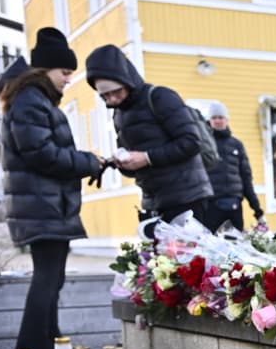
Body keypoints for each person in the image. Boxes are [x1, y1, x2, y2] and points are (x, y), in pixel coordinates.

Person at [0, 28, 104, 349]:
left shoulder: (35, 99)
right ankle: (32, 348)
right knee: (46, 277)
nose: (68, 80)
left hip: (46, 203)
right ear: (45, 70)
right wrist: (88, 162)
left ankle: (49, 339)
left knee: (53, 276)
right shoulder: (30, 99)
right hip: (41, 205)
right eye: (65, 72)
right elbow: (42, 154)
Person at [83, 44, 212, 228]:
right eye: (105, 95)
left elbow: (191, 143)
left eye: (116, 91)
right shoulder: (119, 114)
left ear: (127, 82)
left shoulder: (160, 97)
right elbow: (136, 165)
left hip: (187, 197)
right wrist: (122, 163)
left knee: (188, 256)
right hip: (154, 201)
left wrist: (147, 158)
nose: (112, 99)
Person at [199, 102, 263, 232]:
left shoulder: (237, 145)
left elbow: (246, 177)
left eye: (221, 117)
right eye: (214, 117)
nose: (217, 121)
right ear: (209, 120)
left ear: (227, 120)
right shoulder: (203, 144)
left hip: (234, 205)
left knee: (236, 245)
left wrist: (257, 210)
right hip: (211, 205)